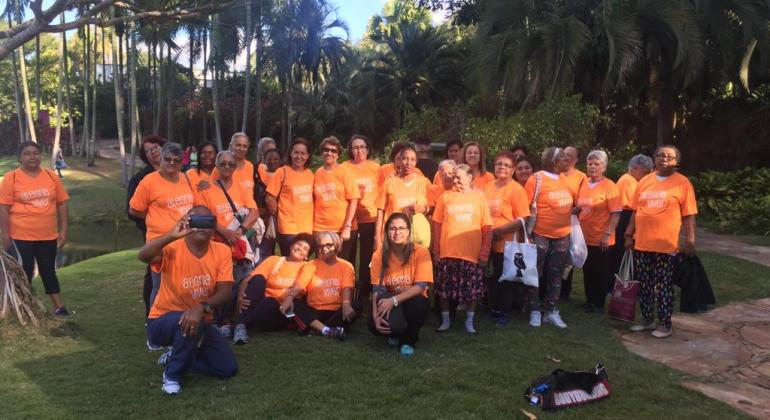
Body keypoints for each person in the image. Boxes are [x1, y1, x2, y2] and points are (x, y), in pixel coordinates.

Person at [140, 207, 238, 395]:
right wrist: (170, 235)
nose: (202, 226)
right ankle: (172, 376)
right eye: (196, 221)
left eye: (207, 221)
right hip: (162, 322)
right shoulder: (172, 248)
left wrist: (201, 307)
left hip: (200, 319)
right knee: (190, 321)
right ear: (187, 223)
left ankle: (179, 357)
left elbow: (225, 291)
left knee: (227, 368)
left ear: (214, 227)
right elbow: (143, 256)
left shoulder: (222, 251)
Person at [625, 145, 697, 338]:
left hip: (666, 245)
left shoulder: (682, 183)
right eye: (661, 155)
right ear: (654, 159)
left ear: (676, 161)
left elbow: (689, 214)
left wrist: (690, 239)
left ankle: (665, 324)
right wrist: (628, 233)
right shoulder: (645, 181)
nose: (665, 158)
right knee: (644, 283)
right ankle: (647, 319)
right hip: (642, 242)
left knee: (664, 285)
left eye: (670, 156)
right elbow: (635, 210)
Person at [0, 141, 70, 315]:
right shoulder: (12, 178)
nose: (32, 156)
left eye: (35, 153)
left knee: (48, 271)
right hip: (20, 236)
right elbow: (3, 207)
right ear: (20, 158)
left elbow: (61, 204)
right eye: (27, 153)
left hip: (47, 235)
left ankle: (59, 307)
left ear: (40, 156)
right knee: (24, 272)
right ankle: (24, 307)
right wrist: (5, 234)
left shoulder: (51, 176)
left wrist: (63, 231)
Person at [129, 142, 195, 313]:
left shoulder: (186, 179)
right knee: (159, 287)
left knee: (184, 285)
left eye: (176, 160)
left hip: (186, 243)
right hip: (161, 244)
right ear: (162, 158)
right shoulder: (149, 181)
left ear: (181, 162)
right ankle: (154, 324)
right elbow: (134, 210)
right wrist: (154, 217)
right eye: (168, 159)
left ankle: (180, 321)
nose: (172, 163)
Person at [433, 164, 493, 334]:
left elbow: (487, 227)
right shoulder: (445, 197)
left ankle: (469, 321)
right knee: (444, 290)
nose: (455, 180)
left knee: (472, 290)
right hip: (448, 251)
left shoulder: (479, 198)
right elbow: (437, 225)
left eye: (459, 177)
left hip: (471, 253)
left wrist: (484, 253)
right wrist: (436, 251)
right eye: (454, 177)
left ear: (470, 178)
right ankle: (445, 321)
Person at [231, 233, 314, 344]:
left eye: (305, 249)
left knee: (269, 303)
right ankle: (240, 326)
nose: (300, 249)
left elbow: (301, 287)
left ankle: (237, 325)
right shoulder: (274, 260)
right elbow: (247, 280)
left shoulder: (307, 267)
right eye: (298, 244)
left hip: (282, 311)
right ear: (291, 246)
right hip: (261, 303)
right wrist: (241, 295)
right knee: (258, 279)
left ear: (307, 256)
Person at [369, 213, 433, 356]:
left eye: (401, 228)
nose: (397, 232)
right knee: (374, 325)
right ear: (386, 232)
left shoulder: (421, 252)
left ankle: (408, 340)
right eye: (392, 229)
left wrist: (394, 301)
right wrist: (375, 315)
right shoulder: (378, 255)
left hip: (412, 298)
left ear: (408, 231)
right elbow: (377, 289)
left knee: (418, 304)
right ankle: (394, 333)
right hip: (390, 297)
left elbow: (421, 286)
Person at [524, 147, 574, 329]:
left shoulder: (565, 179)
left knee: (556, 274)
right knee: (535, 273)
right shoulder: (536, 179)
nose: (566, 160)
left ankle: (551, 310)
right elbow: (526, 207)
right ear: (553, 162)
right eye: (562, 158)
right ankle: (535, 310)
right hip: (540, 235)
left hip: (562, 235)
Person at [484, 152, 530, 326]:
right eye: (498, 164)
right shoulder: (488, 186)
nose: (502, 167)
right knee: (492, 277)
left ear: (512, 170)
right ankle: (492, 308)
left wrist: (500, 231)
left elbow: (522, 218)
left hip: (507, 242)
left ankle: (504, 312)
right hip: (488, 240)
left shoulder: (516, 189)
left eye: (506, 165)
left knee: (506, 278)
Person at [576, 150, 622, 313]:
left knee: (600, 272)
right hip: (584, 237)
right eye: (590, 164)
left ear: (604, 167)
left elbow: (616, 213)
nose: (593, 167)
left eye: (597, 164)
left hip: (602, 238)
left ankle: (598, 303)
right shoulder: (583, 183)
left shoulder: (610, 186)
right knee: (588, 270)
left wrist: (607, 234)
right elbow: (579, 206)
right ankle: (589, 300)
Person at [126, 134, 166, 318]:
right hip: (153, 233)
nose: (153, 153)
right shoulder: (141, 178)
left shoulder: (175, 171)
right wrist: (153, 219)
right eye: (148, 151)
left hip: (178, 231)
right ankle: (152, 314)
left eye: (155, 148)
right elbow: (132, 210)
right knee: (154, 270)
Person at [291, 232, 356, 339]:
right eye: (320, 246)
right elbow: (300, 284)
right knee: (294, 302)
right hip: (315, 311)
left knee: (357, 304)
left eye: (328, 245)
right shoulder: (311, 265)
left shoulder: (346, 266)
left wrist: (346, 304)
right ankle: (328, 330)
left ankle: (316, 328)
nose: (323, 248)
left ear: (336, 245)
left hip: (337, 311)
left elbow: (347, 287)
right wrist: (289, 297)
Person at [340, 134, 380, 301]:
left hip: (371, 217)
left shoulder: (376, 168)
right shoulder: (344, 167)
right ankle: (347, 286)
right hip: (350, 219)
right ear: (350, 150)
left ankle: (365, 289)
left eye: (362, 147)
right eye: (355, 147)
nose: (359, 150)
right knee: (347, 255)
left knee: (367, 256)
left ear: (368, 149)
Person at [313, 136, 360, 262]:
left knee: (342, 265)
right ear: (321, 152)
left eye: (334, 151)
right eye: (326, 150)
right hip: (321, 228)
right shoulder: (317, 173)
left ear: (338, 154)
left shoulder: (345, 172)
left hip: (341, 228)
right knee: (322, 264)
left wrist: (347, 226)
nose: (329, 153)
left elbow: (354, 200)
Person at [375, 145, 430, 250]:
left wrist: (422, 209)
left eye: (412, 160)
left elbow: (432, 207)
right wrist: (377, 238)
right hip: (394, 236)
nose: (409, 163)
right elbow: (380, 210)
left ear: (416, 162)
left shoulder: (423, 182)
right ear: (399, 161)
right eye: (405, 158)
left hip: (416, 236)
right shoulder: (389, 183)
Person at [266, 138, 314, 257]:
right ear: (291, 154)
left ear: (307, 156)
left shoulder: (310, 174)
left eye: (303, 153)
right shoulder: (282, 172)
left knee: (303, 262)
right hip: (288, 229)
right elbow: (269, 198)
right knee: (290, 262)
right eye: (296, 152)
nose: (299, 156)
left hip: (307, 228)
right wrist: (280, 215)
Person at [610, 154, 653, 286]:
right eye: (645, 172)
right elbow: (635, 204)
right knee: (621, 253)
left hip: (624, 217)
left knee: (620, 254)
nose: (646, 176)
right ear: (636, 168)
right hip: (625, 217)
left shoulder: (628, 180)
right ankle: (618, 284)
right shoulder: (629, 181)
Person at [559, 146, 587, 300]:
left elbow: (583, 200)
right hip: (554, 219)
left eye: (570, 155)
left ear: (576, 159)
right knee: (557, 255)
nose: (566, 157)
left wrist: (575, 208)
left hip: (571, 220)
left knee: (569, 253)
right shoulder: (555, 174)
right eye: (564, 154)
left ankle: (565, 290)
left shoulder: (581, 177)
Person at [254, 148, 282, 263]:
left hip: (282, 217)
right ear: (264, 160)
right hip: (264, 218)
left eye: (276, 159)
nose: (272, 161)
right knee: (265, 249)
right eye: (269, 159)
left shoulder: (284, 175)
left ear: (281, 161)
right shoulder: (258, 177)